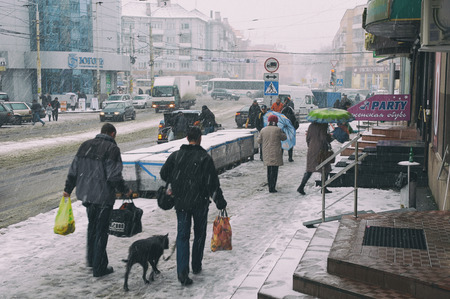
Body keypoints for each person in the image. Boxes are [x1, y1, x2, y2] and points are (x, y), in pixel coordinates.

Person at [160, 126, 227, 286]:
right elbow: (213, 184)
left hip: (181, 202)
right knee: (199, 234)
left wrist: (176, 182)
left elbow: (163, 173)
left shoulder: (176, 156)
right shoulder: (204, 157)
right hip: (200, 202)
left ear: (187, 138)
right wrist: (220, 201)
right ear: (199, 138)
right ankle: (196, 265)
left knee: (182, 235)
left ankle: (182, 272)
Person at [63, 123, 132, 277]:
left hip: (88, 195)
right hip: (103, 196)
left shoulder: (85, 145)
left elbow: (74, 170)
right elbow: (114, 176)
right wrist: (125, 190)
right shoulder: (112, 149)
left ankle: (92, 260)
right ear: (112, 134)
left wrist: (68, 189)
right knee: (101, 230)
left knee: (93, 227)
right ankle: (99, 267)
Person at [297, 122, 333, 195]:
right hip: (321, 150)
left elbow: (307, 138)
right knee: (325, 169)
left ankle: (301, 186)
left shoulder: (311, 125)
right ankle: (324, 187)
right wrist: (329, 137)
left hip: (311, 148)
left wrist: (311, 145)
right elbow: (323, 138)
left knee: (310, 169)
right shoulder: (323, 125)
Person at [257, 115, 287, 193]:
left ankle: (270, 185)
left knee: (269, 169)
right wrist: (283, 131)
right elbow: (284, 138)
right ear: (276, 122)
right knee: (274, 170)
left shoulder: (263, 130)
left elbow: (259, 141)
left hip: (266, 152)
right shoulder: (278, 130)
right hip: (275, 152)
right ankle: (273, 187)